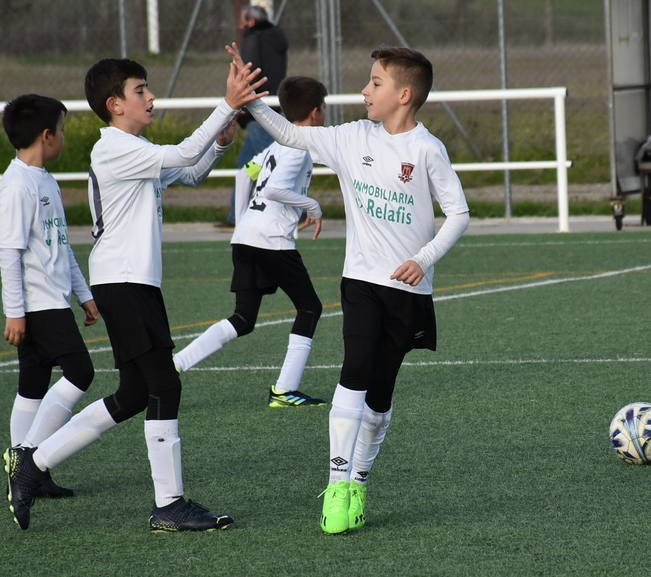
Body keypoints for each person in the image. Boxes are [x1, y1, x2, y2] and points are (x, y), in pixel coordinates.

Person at [2, 55, 267, 532]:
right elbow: (184, 154)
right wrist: (225, 106)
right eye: (140, 90)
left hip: (129, 282)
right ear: (114, 104)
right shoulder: (114, 150)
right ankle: (168, 504)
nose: (151, 98)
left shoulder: (133, 148)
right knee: (164, 386)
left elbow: (188, 170)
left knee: (134, 393)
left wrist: (220, 142)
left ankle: (35, 462)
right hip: (124, 282)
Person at [231, 44, 471, 534]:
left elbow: (459, 214)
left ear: (404, 94)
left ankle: (360, 480)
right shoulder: (351, 136)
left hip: (409, 292)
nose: (365, 91)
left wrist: (421, 260)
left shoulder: (427, 149)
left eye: (375, 83)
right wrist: (250, 101)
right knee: (354, 371)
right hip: (360, 281)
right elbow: (289, 132)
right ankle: (337, 483)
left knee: (379, 398)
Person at [174, 76, 327, 408]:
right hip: (270, 239)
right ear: (316, 112)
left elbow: (245, 174)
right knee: (310, 307)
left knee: (243, 319)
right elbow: (273, 190)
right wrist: (312, 206)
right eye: (324, 108)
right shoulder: (298, 145)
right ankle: (285, 390)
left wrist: (241, 222)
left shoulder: (275, 143)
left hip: (246, 237)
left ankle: (176, 364)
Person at [0, 94, 99, 500]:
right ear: (45, 135)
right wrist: (14, 313)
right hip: (39, 305)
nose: (64, 137)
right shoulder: (17, 185)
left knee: (33, 384)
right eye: (62, 130)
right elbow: (9, 254)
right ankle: (26, 459)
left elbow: (61, 247)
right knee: (82, 373)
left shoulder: (45, 179)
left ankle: (31, 478)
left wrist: (84, 294)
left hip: (55, 298)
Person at [215, 4, 287, 231]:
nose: (240, 25)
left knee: (271, 163)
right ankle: (236, 215)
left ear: (252, 22)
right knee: (247, 166)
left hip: (258, 114)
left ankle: (301, 211)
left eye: (243, 21)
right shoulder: (277, 40)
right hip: (271, 109)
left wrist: (241, 106)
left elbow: (248, 74)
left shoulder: (254, 40)